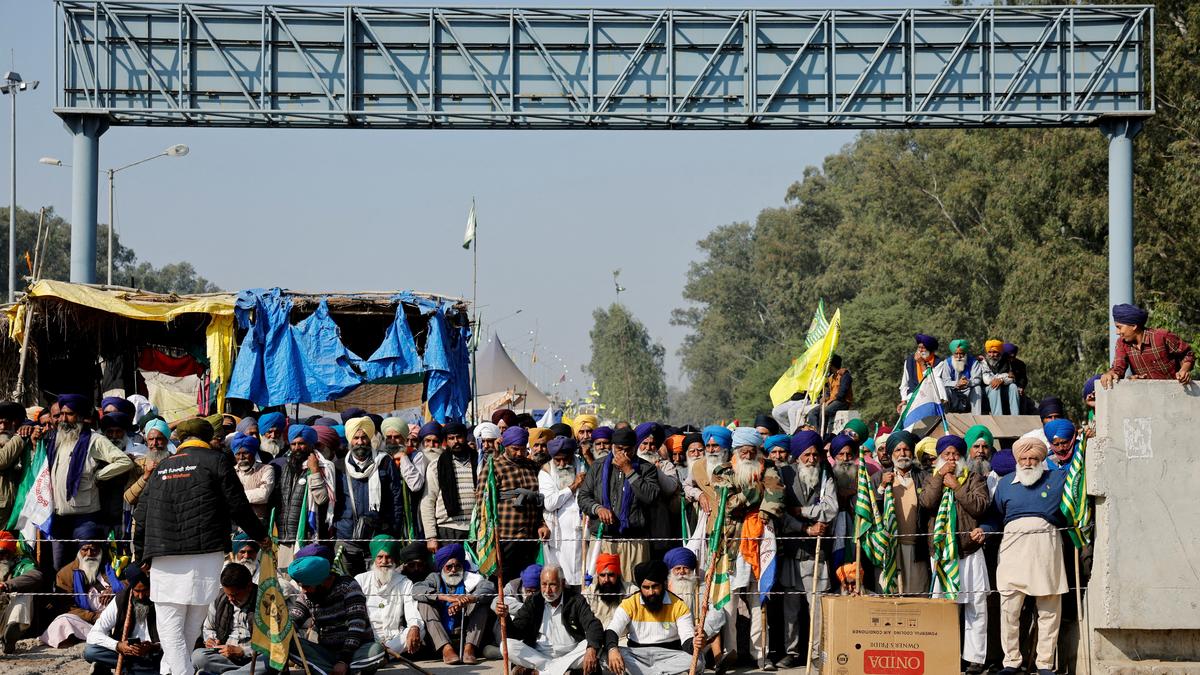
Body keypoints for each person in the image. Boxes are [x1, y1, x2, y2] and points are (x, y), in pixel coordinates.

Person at [133, 417, 268, 675]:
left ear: (181, 440)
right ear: (207, 439)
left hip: (164, 554)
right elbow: (238, 505)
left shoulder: (161, 468)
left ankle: (178, 672)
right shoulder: (216, 461)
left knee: (171, 626)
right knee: (191, 626)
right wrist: (260, 536)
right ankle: (172, 672)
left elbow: (141, 515)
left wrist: (141, 555)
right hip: (207, 554)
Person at [992, 438, 1070, 675]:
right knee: (1010, 611)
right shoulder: (1005, 484)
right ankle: (1011, 662)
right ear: (1017, 461)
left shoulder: (1056, 479)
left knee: (1049, 611)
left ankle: (1045, 663)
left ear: (1041, 460)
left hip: (1045, 551)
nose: (1027, 463)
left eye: (1033, 458)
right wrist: (983, 530)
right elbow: (995, 517)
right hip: (1013, 552)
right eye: (1023, 459)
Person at [710, 427, 784, 670]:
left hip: (760, 542)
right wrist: (757, 491)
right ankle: (730, 653)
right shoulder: (722, 471)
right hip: (731, 544)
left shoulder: (769, 467)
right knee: (729, 603)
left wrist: (762, 509)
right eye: (744, 451)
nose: (748, 456)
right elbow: (729, 504)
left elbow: (777, 494)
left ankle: (761, 655)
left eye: (752, 452)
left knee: (758, 600)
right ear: (736, 451)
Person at [919, 435, 991, 674]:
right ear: (940, 457)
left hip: (969, 550)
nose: (951, 458)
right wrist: (940, 478)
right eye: (946, 454)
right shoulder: (932, 478)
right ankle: (945, 654)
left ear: (962, 456)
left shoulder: (974, 479)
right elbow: (928, 503)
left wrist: (957, 487)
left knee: (976, 605)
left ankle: (975, 659)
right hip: (942, 553)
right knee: (944, 606)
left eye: (955, 454)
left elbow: (979, 507)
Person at [47, 394, 135, 569]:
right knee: (59, 565)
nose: (63, 419)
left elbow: (124, 461)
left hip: (85, 516)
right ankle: (64, 597)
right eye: (61, 414)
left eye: (69, 414)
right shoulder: (56, 440)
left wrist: (99, 475)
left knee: (88, 566)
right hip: (58, 516)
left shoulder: (94, 440)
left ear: (80, 416)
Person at [776, 430, 837, 668]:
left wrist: (802, 512)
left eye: (815, 455)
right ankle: (791, 652)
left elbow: (830, 509)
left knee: (818, 607)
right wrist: (805, 528)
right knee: (791, 608)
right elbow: (780, 513)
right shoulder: (784, 474)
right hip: (792, 549)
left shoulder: (825, 475)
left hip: (817, 553)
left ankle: (816, 651)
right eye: (807, 455)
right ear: (797, 455)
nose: (812, 459)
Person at [577, 427, 660, 582]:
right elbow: (583, 497)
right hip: (603, 541)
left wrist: (629, 471)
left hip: (634, 544)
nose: (623, 454)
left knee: (633, 592)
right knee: (603, 592)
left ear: (635, 448)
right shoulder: (598, 466)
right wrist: (598, 508)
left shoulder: (646, 469)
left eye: (628, 450)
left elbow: (650, 497)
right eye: (619, 449)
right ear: (613, 447)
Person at [287, 553, 386, 675]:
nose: (303, 590)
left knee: (377, 651)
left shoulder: (348, 587)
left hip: (355, 652)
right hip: (327, 653)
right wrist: (285, 628)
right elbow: (296, 615)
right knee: (289, 642)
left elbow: (356, 628)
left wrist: (343, 661)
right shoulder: (308, 594)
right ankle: (332, 671)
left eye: (306, 586)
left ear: (321, 581)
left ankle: (330, 670)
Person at [497, 564, 604, 675]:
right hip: (539, 656)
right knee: (506, 645)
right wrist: (505, 617)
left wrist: (591, 648)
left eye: (552, 584)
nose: (547, 590)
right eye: (544, 584)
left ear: (562, 583)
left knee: (592, 646)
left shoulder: (575, 600)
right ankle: (558, 670)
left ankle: (543, 672)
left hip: (570, 654)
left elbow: (593, 625)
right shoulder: (533, 601)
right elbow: (515, 633)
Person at [335, 416, 403, 574]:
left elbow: (396, 501)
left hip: (378, 535)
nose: (360, 442)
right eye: (356, 438)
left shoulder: (385, 462)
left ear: (370, 438)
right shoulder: (339, 466)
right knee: (348, 584)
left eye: (364, 437)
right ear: (350, 440)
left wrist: (392, 533)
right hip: (347, 536)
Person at [604, 560, 696, 675]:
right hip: (637, 656)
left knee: (698, 659)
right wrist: (613, 650)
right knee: (604, 656)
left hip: (669, 657)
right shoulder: (630, 603)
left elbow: (687, 639)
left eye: (655, 586)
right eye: (646, 587)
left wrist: (695, 644)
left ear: (663, 585)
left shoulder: (679, 605)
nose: (651, 592)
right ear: (640, 587)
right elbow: (612, 630)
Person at [42, 523, 124, 647]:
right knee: (62, 621)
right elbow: (68, 607)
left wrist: (114, 589)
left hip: (116, 617)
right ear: (79, 550)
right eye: (85, 549)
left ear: (100, 550)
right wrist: (95, 617)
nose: (89, 553)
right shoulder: (65, 574)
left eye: (94, 549)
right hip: (89, 621)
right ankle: (97, 637)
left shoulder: (113, 566)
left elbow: (132, 583)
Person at [413, 543, 495, 665]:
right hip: (440, 636)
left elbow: (489, 588)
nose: (453, 570)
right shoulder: (435, 578)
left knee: (481, 603)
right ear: (442, 567)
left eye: (457, 566)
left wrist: (467, 599)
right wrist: (446, 598)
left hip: (467, 632)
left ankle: (469, 649)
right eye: (449, 567)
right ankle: (446, 649)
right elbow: (416, 589)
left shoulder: (471, 578)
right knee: (424, 604)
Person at [872, 431, 931, 595]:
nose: (902, 454)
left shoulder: (924, 477)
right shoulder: (879, 478)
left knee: (918, 595)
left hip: (917, 548)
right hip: (891, 548)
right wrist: (882, 487)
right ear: (891, 454)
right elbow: (871, 510)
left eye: (906, 449)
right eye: (897, 450)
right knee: (891, 595)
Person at [491, 425, 550, 584]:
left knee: (528, 582)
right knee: (503, 581)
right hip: (504, 537)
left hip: (529, 537)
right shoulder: (494, 467)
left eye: (523, 449)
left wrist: (541, 523)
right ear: (506, 446)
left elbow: (538, 501)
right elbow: (483, 502)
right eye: (515, 449)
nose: (519, 453)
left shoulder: (531, 466)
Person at [354, 535, 424, 656]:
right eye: (380, 557)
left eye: (388, 557)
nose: (384, 562)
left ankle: (381, 654)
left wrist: (414, 628)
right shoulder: (360, 580)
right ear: (374, 559)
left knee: (419, 629)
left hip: (395, 638)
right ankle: (383, 655)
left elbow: (412, 611)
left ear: (395, 560)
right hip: (368, 638)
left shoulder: (404, 582)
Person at [663, 547, 729, 672]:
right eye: (677, 568)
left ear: (692, 570)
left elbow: (718, 610)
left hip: (698, 637)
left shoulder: (703, 588)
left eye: (685, 568)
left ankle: (719, 661)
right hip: (674, 637)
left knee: (714, 627)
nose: (682, 572)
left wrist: (703, 629)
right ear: (671, 571)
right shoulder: (665, 591)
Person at [272, 425, 332, 564]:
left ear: (311, 445)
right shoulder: (284, 468)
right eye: (293, 444)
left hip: (308, 538)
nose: (297, 448)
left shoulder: (324, 467)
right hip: (284, 538)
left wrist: (315, 471)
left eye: (301, 443)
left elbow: (322, 499)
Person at [83, 569, 161, 675]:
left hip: (155, 654)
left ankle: (135, 670)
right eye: (137, 591)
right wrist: (118, 645)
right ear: (131, 588)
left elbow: (175, 639)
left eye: (145, 590)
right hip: (127, 654)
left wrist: (152, 647)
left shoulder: (162, 602)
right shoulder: (121, 600)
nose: (141, 596)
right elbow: (93, 635)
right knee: (91, 651)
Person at [1101, 302, 1195, 387]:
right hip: (1148, 398)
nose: (1117, 332)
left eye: (1119, 327)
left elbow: (1188, 353)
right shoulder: (1122, 343)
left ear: (1134, 326)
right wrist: (1110, 374)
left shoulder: (1162, 336)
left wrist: (1184, 370)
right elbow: (1118, 369)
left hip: (1175, 393)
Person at [192, 563, 258, 674]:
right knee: (198, 656)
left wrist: (242, 651)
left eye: (235, 595)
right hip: (225, 657)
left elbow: (271, 643)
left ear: (249, 587)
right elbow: (208, 628)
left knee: (269, 661)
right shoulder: (219, 598)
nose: (231, 599)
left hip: (254, 657)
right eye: (228, 595)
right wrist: (211, 639)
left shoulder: (265, 602)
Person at [421, 421, 477, 552]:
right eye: (451, 438)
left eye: (459, 437)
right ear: (446, 441)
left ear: (465, 437)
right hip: (448, 530)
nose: (456, 441)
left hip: (476, 528)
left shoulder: (479, 461)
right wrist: (431, 537)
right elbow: (428, 501)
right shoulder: (436, 465)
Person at [541, 436, 586, 586]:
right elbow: (550, 503)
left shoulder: (582, 466)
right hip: (558, 537)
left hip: (583, 533)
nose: (562, 464)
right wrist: (574, 486)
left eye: (565, 459)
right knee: (561, 579)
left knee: (583, 577)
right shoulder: (546, 472)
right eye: (557, 460)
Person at [0, 531, 42, 653]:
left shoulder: (23, 563)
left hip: (8, 612)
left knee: (24, 593)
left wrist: (7, 585)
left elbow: (36, 576)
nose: (0, 558)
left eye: (3, 554)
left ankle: (11, 634)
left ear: (11, 553)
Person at [0, 403, 37, 527]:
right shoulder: (18, 440)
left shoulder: (18, 442)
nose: (3, 427)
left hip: (17, 507)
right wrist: (19, 437)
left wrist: (29, 428)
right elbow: (2, 460)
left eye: (8, 423)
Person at [806, 354, 854, 434]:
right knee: (812, 412)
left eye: (828, 365)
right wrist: (825, 398)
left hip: (842, 402)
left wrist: (829, 402)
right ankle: (815, 433)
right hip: (832, 401)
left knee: (825, 411)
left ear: (831, 365)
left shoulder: (845, 376)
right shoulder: (831, 377)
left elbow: (841, 395)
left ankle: (822, 434)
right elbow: (828, 392)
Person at [583, 553, 630, 627]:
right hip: (597, 637)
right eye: (602, 575)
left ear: (617, 576)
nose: (606, 580)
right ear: (598, 577)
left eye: (611, 575)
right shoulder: (588, 595)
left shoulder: (630, 592)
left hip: (623, 638)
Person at [936, 339, 982, 414]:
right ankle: (944, 416)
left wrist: (968, 382)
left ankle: (977, 416)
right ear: (953, 353)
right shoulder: (947, 362)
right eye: (956, 354)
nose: (959, 356)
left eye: (961, 354)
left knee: (977, 388)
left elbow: (977, 379)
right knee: (945, 389)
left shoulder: (973, 362)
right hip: (953, 394)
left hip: (968, 393)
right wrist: (957, 383)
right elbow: (945, 381)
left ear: (965, 353)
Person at [897, 334, 940, 412]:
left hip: (931, 396)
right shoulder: (909, 360)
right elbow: (904, 384)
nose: (920, 350)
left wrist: (921, 363)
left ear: (930, 349)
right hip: (913, 396)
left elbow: (931, 382)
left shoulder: (938, 363)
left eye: (923, 348)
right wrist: (903, 400)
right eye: (919, 347)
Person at [979, 339, 1020, 415]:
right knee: (995, 386)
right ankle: (998, 416)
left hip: (1002, 389)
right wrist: (1004, 376)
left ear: (1000, 352)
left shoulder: (1005, 362)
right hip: (986, 391)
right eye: (990, 352)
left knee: (1013, 386)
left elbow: (1012, 378)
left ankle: (1016, 415)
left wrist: (1002, 380)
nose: (992, 355)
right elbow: (987, 379)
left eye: (995, 352)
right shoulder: (983, 362)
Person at [963, 425, 997, 493]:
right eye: (976, 446)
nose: (981, 451)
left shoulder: (997, 472)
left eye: (985, 447)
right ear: (968, 449)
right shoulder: (960, 471)